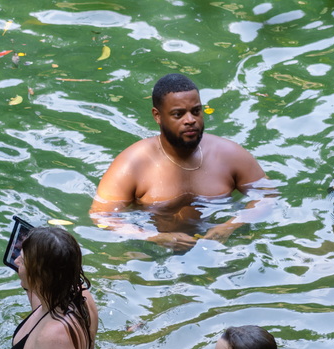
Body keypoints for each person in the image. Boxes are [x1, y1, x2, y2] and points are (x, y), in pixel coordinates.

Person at [90, 73, 268, 250]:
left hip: (218, 246)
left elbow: (267, 196)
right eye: (178, 114)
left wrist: (229, 226)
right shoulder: (133, 164)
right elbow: (101, 216)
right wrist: (155, 237)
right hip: (154, 251)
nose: (190, 120)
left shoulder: (230, 154)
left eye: (196, 111)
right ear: (157, 116)